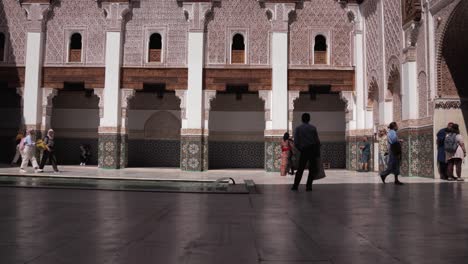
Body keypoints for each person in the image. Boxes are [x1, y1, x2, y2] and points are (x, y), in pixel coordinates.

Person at [291, 113, 321, 191]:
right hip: (312, 150)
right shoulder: (313, 128)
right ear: (309, 119)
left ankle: (295, 185)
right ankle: (309, 186)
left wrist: (300, 149)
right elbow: (317, 141)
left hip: (304, 150)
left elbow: (296, 142)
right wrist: (317, 152)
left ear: (302, 119)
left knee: (300, 169)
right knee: (312, 169)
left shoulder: (298, 128)